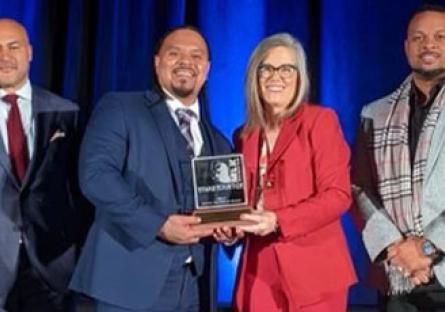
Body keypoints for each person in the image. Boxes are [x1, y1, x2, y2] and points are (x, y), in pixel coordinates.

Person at [69, 26, 231, 312]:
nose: (186, 61)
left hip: (194, 287)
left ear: (207, 69)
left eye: (196, 56)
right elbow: (96, 176)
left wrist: (229, 228)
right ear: (157, 63)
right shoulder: (120, 107)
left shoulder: (218, 140)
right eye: (174, 53)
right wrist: (158, 224)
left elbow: (221, 207)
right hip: (126, 283)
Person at [232, 33, 356, 312]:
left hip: (313, 269)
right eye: (267, 68)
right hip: (258, 267)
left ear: (300, 77)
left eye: (287, 68)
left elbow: (338, 195)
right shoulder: (244, 135)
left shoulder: (320, 121)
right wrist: (228, 227)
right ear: (255, 75)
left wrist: (277, 220)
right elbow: (240, 202)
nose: (276, 76)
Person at [352, 4, 445, 311]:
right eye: (418, 38)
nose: (428, 44)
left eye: (440, 37)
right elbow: (360, 188)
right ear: (406, 48)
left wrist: (428, 248)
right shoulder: (375, 114)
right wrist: (398, 250)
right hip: (400, 276)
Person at [0, 18, 89, 311]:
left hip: (50, 268)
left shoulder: (66, 112)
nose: (4, 56)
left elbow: (79, 191)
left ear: (30, 52)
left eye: (13, 46)